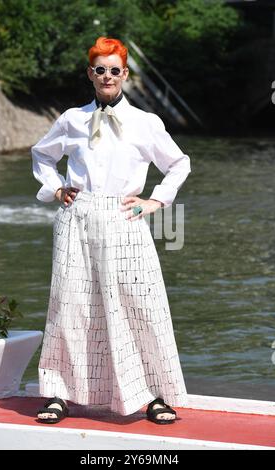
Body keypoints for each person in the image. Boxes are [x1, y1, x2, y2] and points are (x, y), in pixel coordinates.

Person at [31, 36, 191, 425]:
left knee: (141, 306)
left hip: (126, 220)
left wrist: (156, 201)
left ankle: (154, 396)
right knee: (70, 307)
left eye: (114, 70)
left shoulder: (146, 122)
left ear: (125, 74)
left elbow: (179, 163)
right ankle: (58, 395)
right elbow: (41, 154)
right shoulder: (71, 119)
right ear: (90, 73)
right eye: (100, 69)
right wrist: (54, 188)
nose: (107, 76)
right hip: (78, 218)